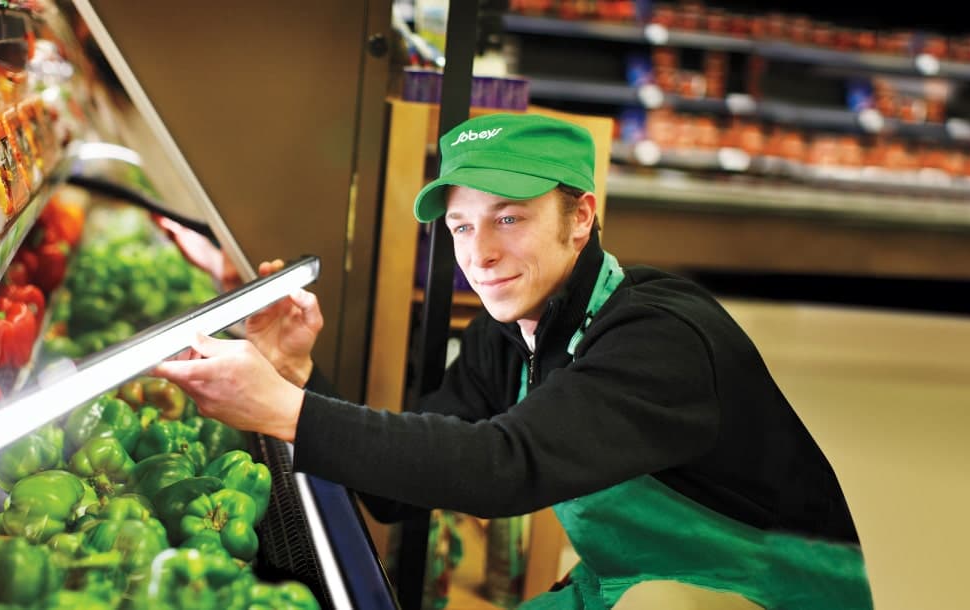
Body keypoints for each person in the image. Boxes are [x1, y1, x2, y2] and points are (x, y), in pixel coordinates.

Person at [154, 113, 873, 609]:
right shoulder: (513, 334)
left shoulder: (660, 339)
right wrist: (295, 371)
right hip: (638, 583)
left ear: (581, 217)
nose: (479, 254)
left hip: (755, 593)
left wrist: (281, 408)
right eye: (462, 225)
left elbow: (504, 467)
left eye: (509, 217)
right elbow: (397, 491)